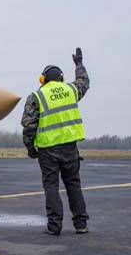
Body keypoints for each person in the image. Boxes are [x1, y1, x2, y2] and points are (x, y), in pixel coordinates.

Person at [21, 48, 90, 235]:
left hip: (48, 149)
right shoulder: (71, 90)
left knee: (51, 186)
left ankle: (54, 226)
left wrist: (30, 147)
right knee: (73, 185)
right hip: (70, 148)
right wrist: (79, 65)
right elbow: (84, 82)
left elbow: (28, 125)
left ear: (42, 79)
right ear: (61, 78)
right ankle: (81, 224)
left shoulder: (37, 96)